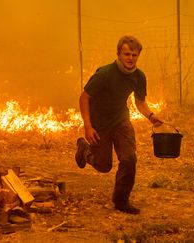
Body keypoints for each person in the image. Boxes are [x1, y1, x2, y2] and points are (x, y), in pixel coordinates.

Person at [75, 35, 162, 214]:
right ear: (119, 54)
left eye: (134, 55)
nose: (130, 58)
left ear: (138, 56)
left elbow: (140, 102)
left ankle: (121, 200)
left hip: (121, 120)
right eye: (127, 54)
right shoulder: (105, 74)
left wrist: (151, 116)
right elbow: (84, 97)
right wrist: (88, 126)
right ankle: (84, 151)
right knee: (103, 166)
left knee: (129, 159)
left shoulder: (139, 77)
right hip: (99, 123)